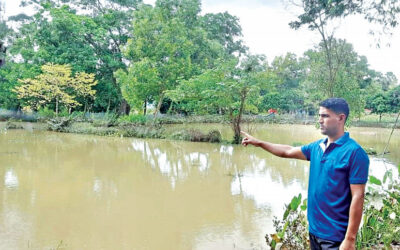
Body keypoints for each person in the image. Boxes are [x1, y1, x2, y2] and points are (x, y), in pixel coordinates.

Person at [241, 98, 369, 250]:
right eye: (319, 115)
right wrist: (260, 143)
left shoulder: (355, 153)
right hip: (314, 231)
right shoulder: (317, 147)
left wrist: (350, 239)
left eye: (325, 116)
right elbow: (287, 151)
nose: (320, 120)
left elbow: (358, 196)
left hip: (335, 237)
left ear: (341, 118)